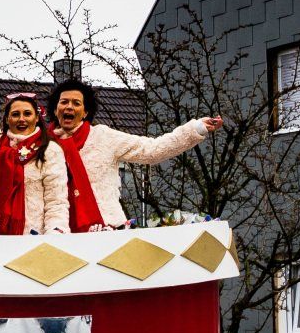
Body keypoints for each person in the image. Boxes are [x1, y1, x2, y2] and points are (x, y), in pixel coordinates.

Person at [45, 78, 223, 231]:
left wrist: (196, 128)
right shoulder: (41, 145)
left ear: (85, 112)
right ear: (55, 109)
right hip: (55, 234)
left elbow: (152, 150)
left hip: (106, 230)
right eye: (64, 102)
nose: (69, 106)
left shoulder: (103, 137)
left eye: (76, 103)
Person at [0, 92, 69, 235]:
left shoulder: (50, 150)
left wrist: (54, 234)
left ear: (37, 118)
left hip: (34, 237)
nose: (21, 119)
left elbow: (56, 201)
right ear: (7, 119)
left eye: (27, 114)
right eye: (15, 114)